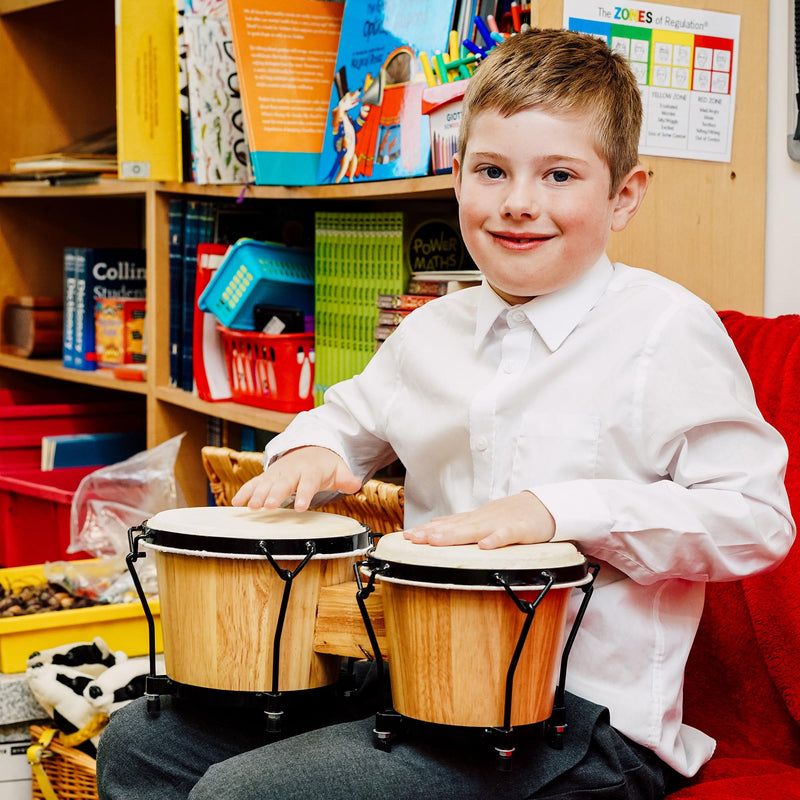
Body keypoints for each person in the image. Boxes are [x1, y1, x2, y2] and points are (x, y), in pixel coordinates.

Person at [96, 28, 794, 800]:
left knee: (248, 792)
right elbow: (342, 420)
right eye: (491, 170)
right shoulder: (431, 329)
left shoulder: (668, 330)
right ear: (457, 174)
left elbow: (757, 519)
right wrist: (310, 453)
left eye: (560, 174)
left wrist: (556, 511)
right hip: (415, 682)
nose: (519, 204)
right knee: (143, 744)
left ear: (624, 194)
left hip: (582, 726)